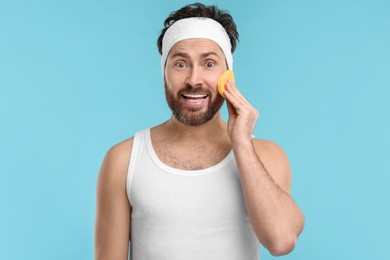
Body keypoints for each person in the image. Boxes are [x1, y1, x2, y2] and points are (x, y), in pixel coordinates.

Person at [94, 3, 304, 259]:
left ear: (227, 75)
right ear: (164, 73)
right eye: (181, 64)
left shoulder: (266, 155)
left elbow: (281, 241)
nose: (194, 80)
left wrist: (242, 143)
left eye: (209, 63)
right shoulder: (123, 160)